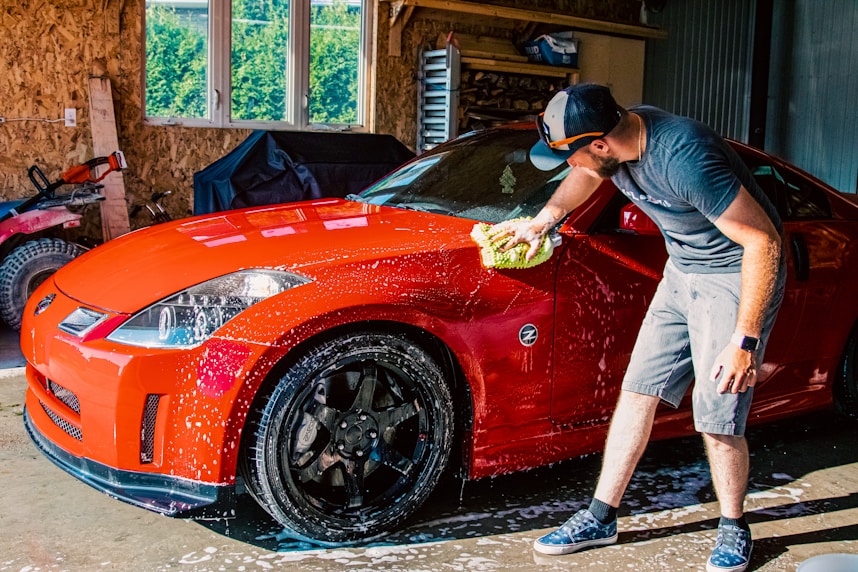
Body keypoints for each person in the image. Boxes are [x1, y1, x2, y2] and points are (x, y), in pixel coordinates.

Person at [492, 84, 786, 572]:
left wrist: (744, 340)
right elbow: (585, 175)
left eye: (573, 153)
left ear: (602, 143)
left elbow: (763, 243)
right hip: (682, 272)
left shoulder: (684, 157)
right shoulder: (615, 143)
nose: (570, 164)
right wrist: (544, 220)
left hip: (734, 274)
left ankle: (734, 526)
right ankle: (600, 517)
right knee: (638, 390)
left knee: (715, 414)